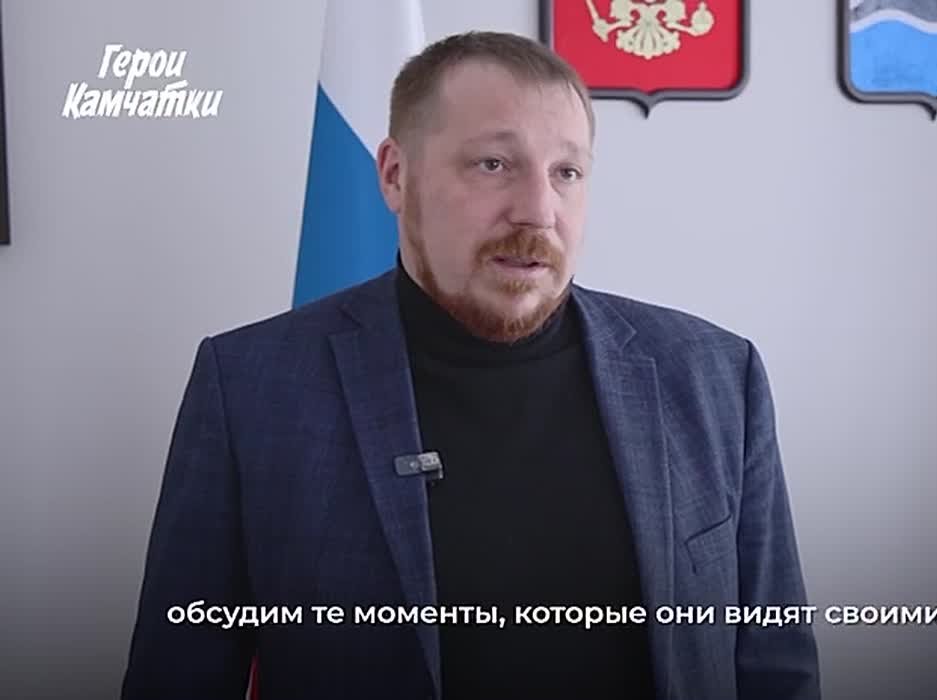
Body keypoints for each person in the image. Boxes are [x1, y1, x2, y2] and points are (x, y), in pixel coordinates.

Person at [120, 30, 820, 700]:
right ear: (396, 175)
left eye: (567, 172)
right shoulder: (252, 388)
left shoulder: (715, 377)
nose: (538, 211)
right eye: (494, 164)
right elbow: (177, 678)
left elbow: (775, 666)